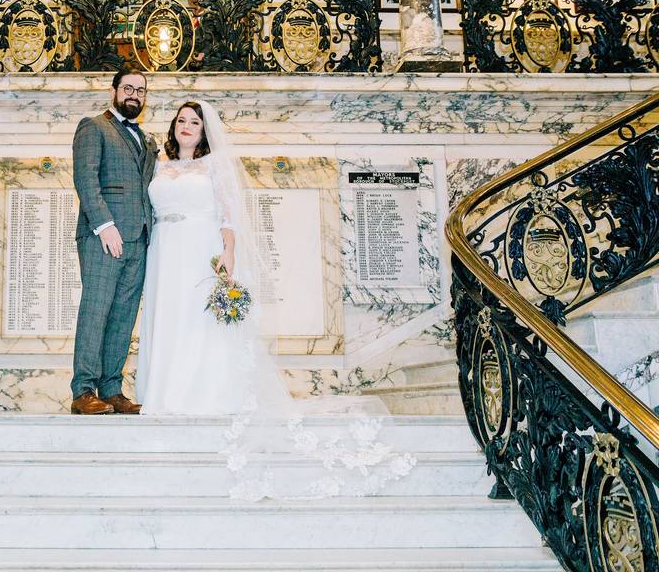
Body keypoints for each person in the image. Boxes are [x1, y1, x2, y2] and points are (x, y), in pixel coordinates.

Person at [136, 100, 415, 500]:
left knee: (200, 322)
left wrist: (228, 252)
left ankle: (203, 393)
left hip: (201, 246)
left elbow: (228, 213)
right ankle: (164, 393)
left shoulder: (214, 165)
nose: (187, 126)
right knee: (169, 320)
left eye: (194, 122)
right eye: (181, 120)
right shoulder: (158, 164)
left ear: (204, 131)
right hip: (164, 249)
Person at [70, 68, 157, 415]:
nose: (134, 94)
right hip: (104, 237)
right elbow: (86, 178)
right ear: (114, 91)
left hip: (138, 240)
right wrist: (104, 224)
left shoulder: (146, 140)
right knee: (96, 311)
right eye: (128, 88)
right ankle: (83, 390)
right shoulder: (94, 127)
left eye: (141, 90)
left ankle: (111, 388)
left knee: (123, 316)